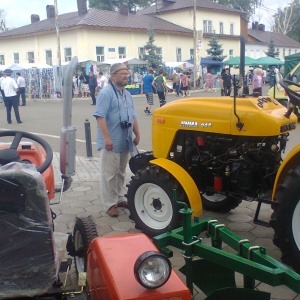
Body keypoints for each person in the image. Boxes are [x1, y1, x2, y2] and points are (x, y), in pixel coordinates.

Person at [93, 63, 140, 218]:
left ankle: (119, 198)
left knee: (120, 172)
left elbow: (133, 116)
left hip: (125, 139)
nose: (126, 75)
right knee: (109, 174)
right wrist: (107, 138)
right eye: (122, 73)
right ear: (112, 75)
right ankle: (110, 204)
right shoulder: (106, 93)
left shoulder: (126, 94)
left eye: (127, 72)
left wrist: (137, 134)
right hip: (111, 141)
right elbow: (100, 116)